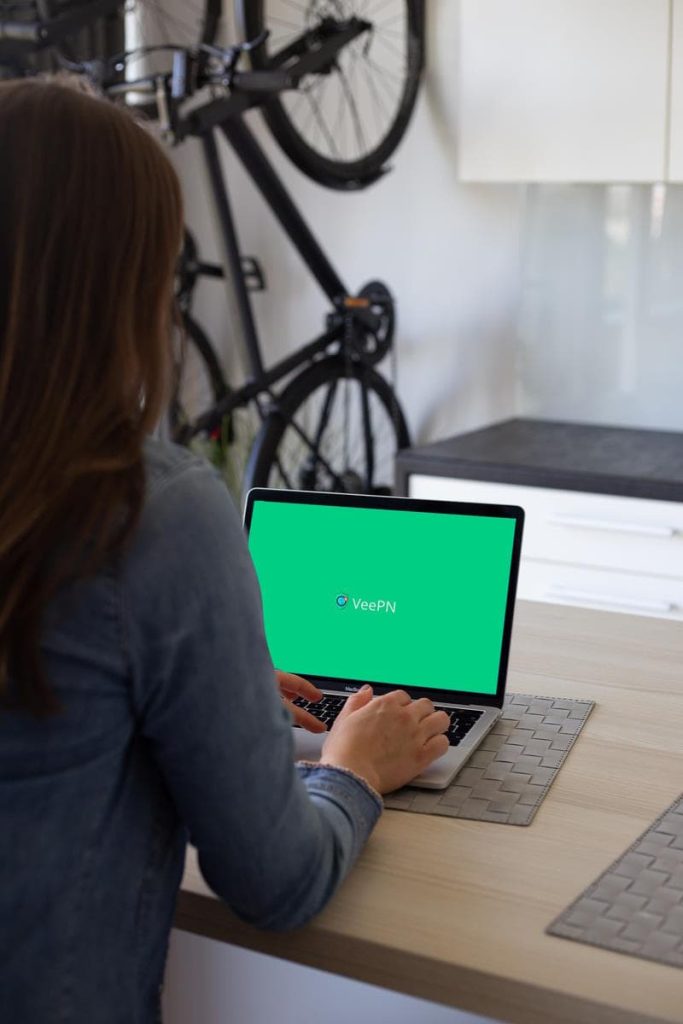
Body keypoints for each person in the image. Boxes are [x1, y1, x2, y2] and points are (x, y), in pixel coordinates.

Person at [0, 76, 450, 1023]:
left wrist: (211, 689)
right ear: (126, 287)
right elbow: (275, 883)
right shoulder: (150, 516)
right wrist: (351, 767)